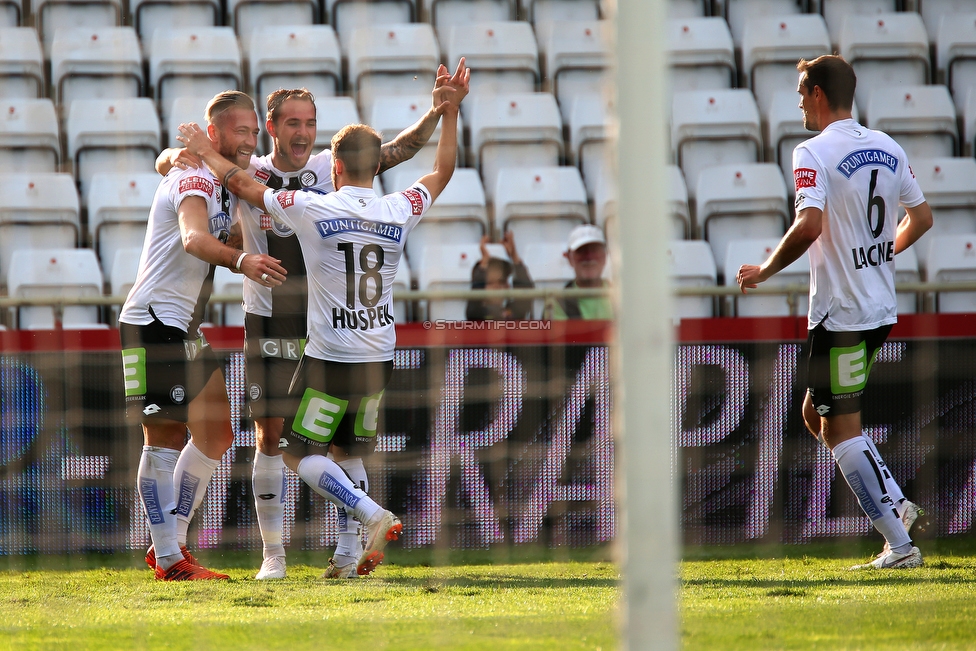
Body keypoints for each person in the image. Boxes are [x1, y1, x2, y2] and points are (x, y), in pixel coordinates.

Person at [157, 62, 469, 580]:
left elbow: (400, 150)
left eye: (311, 122)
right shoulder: (248, 165)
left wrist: (438, 110)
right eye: (292, 123)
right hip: (271, 317)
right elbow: (178, 163)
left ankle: (349, 548)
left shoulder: (323, 174)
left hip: (321, 325)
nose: (303, 133)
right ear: (272, 128)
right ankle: (274, 554)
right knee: (270, 435)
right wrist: (173, 153)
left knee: (323, 445)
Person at [736, 55, 933, 570]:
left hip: (843, 313)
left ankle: (899, 543)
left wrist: (764, 270)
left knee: (840, 428)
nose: (799, 100)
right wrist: (884, 251)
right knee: (814, 414)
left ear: (820, 93)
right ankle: (898, 505)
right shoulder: (888, 147)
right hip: (879, 306)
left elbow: (808, 225)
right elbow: (923, 217)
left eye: (803, 90)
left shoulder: (812, 152)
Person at [119, 90, 287, 581]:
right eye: (242, 131)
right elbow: (193, 239)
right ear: (213, 134)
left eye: (255, 132)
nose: (250, 141)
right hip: (153, 321)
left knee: (217, 434)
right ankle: (169, 559)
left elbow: (165, 162)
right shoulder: (192, 175)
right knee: (164, 437)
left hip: (185, 327)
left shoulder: (226, 180)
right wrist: (242, 259)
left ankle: (169, 539)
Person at [545, 224, 613, 320]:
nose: (589, 257)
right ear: (569, 258)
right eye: (581, 251)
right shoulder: (558, 303)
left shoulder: (621, 296)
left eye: (594, 250)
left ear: (605, 256)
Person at [466, 232, 534, 321]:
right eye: (490, 282)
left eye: (501, 281)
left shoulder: (512, 312)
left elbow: (527, 292)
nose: (497, 286)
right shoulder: (476, 313)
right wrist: (484, 262)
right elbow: (474, 302)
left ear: (507, 286)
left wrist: (514, 256)